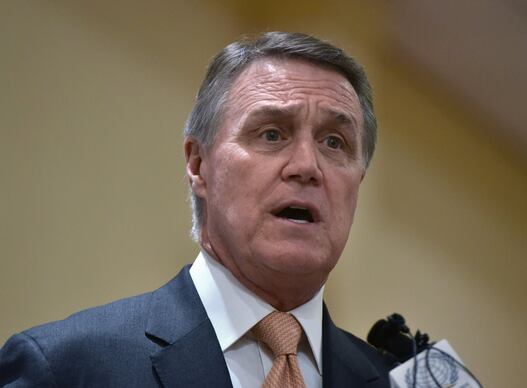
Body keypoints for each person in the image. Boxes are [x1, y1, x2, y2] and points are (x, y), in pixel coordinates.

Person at [0, 31, 392, 387]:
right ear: (198, 165)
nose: (307, 166)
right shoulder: (64, 369)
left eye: (334, 143)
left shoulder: (399, 382)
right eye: (272, 134)